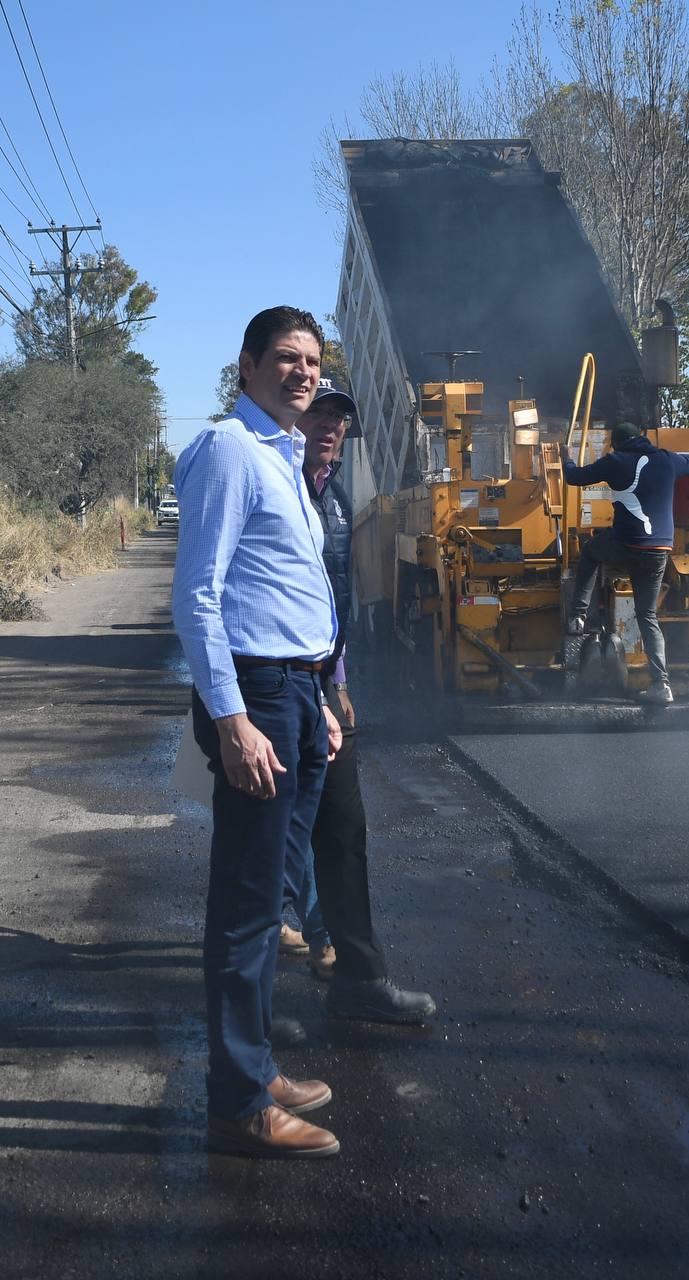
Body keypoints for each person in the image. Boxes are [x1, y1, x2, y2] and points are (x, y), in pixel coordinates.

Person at [172, 306, 343, 1159]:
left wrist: (319, 701)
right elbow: (197, 596)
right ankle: (238, 1100)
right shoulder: (229, 451)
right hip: (257, 695)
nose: (302, 372)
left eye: (311, 360)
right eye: (284, 358)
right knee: (246, 906)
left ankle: (259, 1063)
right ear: (245, 365)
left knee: (270, 895)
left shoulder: (282, 457)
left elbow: (283, 590)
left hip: (294, 693)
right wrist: (235, 720)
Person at [287, 376, 437, 1023]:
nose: (331, 427)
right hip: (274, 681)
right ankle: (249, 1006)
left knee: (341, 828)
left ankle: (355, 971)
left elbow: (334, 599)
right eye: (320, 414)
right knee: (275, 835)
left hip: (318, 679)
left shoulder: (339, 498)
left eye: (340, 417)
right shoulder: (277, 489)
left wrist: (337, 680)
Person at [562, 422, 689, 705]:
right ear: (640, 438)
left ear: (616, 443)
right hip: (658, 550)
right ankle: (661, 685)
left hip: (625, 545)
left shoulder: (615, 461)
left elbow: (575, 477)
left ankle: (578, 615)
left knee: (590, 552)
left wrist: (565, 455)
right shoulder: (666, 458)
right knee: (647, 616)